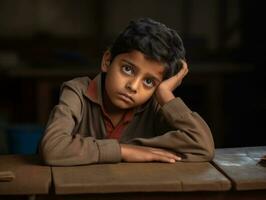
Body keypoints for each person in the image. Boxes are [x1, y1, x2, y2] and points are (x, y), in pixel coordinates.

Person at [39, 18, 214, 166]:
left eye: (149, 81)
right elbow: (52, 149)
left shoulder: (153, 104)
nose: (133, 86)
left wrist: (165, 94)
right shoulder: (77, 91)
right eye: (128, 69)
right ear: (107, 61)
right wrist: (123, 150)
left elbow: (202, 147)